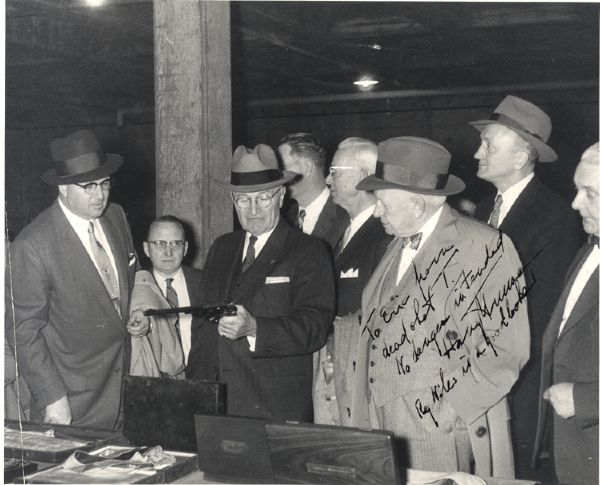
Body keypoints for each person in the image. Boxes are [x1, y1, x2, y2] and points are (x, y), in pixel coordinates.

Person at [350, 136, 530, 477]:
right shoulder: (396, 245)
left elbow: (506, 347)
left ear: (418, 206)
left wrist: (451, 409)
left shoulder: (484, 246)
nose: (376, 212)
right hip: (382, 422)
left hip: (437, 429)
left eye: (383, 203)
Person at [6, 129, 149, 430]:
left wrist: (134, 309)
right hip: (72, 403)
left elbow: (128, 275)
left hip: (125, 392)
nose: (100, 195)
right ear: (64, 189)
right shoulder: (34, 244)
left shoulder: (116, 216)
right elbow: (22, 332)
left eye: (105, 183)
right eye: (89, 187)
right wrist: (52, 396)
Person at [470, 95, 581, 478]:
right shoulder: (484, 209)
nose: (476, 153)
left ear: (521, 156)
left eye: (488, 145)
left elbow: (541, 308)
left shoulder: (557, 216)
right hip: (477, 373)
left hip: (519, 378)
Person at [186, 144, 335, 422]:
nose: (253, 210)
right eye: (244, 200)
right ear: (233, 200)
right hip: (214, 404)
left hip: (274, 407)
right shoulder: (222, 247)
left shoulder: (308, 251)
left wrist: (256, 328)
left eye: (263, 198)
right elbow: (201, 327)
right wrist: (194, 390)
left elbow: (314, 327)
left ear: (280, 196)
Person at [313, 137, 392, 425]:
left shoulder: (384, 235)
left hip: (361, 380)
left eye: (335, 171)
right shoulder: (340, 232)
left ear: (365, 176)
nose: (327, 178)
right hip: (334, 372)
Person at [533, 142, 599, 485]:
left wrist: (586, 399)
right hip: (573, 452)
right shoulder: (588, 250)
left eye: (590, 193)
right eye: (577, 190)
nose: (575, 203)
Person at [142, 215, 203, 368]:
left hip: (200, 377)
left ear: (186, 248)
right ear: (146, 249)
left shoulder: (206, 282)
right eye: (160, 244)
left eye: (176, 244)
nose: (168, 252)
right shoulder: (137, 287)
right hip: (153, 380)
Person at [278, 132, 349, 249]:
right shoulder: (282, 218)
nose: (278, 175)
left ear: (306, 167)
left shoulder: (345, 217)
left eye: (283, 167)